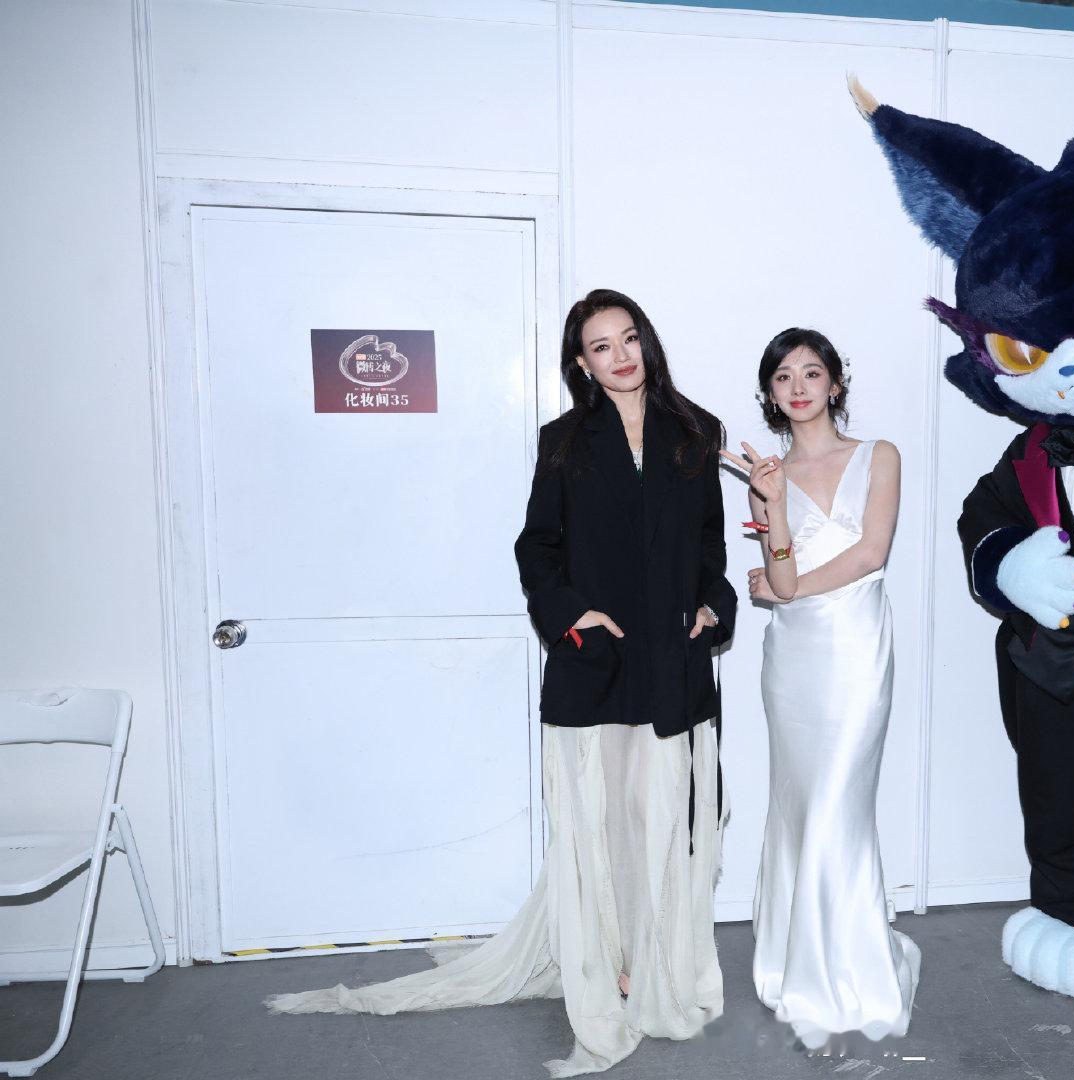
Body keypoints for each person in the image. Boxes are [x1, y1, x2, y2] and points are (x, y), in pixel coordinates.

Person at [266, 289, 737, 1077]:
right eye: (600, 346)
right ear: (580, 362)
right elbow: (536, 547)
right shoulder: (563, 440)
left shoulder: (695, 433)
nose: (620, 356)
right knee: (596, 824)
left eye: (628, 339)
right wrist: (574, 616)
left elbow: (710, 547)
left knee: (659, 819)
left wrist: (711, 607)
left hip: (671, 662)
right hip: (597, 663)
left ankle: (654, 963)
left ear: (646, 343)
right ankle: (606, 965)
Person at [720, 327, 919, 1049]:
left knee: (840, 804)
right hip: (794, 661)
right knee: (801, 805)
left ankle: (849, 970)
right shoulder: (767, 474)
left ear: (836, 383)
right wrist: (771, 503)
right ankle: (794, 961)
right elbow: (776, 576)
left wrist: (789, 588)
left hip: (856, 650)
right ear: (770, 394)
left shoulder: (879, 456)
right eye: (782, 376)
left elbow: (870, 553)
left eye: (811, 372)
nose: (798, 386)